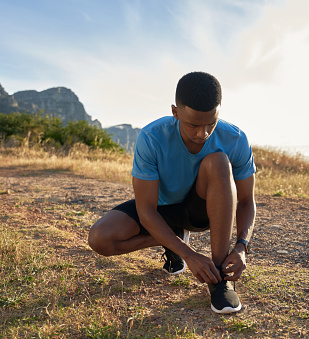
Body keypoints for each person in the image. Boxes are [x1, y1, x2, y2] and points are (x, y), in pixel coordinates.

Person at [88, 71, 256, 314]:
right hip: (161, 210)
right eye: (193, 125)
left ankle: (219, 278)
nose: (203, 133)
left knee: (219, 161)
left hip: (202, 211)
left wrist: (242, 246)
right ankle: (174, 237)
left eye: (211, 123)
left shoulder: (236, 139)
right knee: (100, 239)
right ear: (175, 112)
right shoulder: (151, 137)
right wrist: (187, 254)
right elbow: (146, 210)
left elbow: (246, 202)